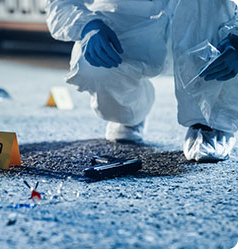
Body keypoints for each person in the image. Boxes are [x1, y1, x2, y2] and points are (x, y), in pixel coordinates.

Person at [46, 0, 238, 162]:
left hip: (204, 27)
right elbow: (60, 3)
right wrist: (89, 25)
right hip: (132, 26)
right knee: (94, 65)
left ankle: (212, 123)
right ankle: (129, 112)